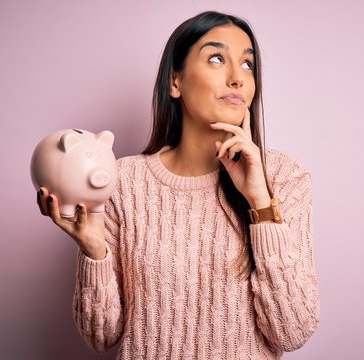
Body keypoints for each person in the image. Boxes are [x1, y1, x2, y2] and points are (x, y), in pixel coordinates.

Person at [37, 10, 320, 359]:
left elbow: (292, 331)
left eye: (248, 65)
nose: (238, 78)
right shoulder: (124, 183)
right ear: (175, 81)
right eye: (217, 58)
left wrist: (259, 201)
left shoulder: (283, 177)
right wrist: (94, 251)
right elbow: (101, 336)